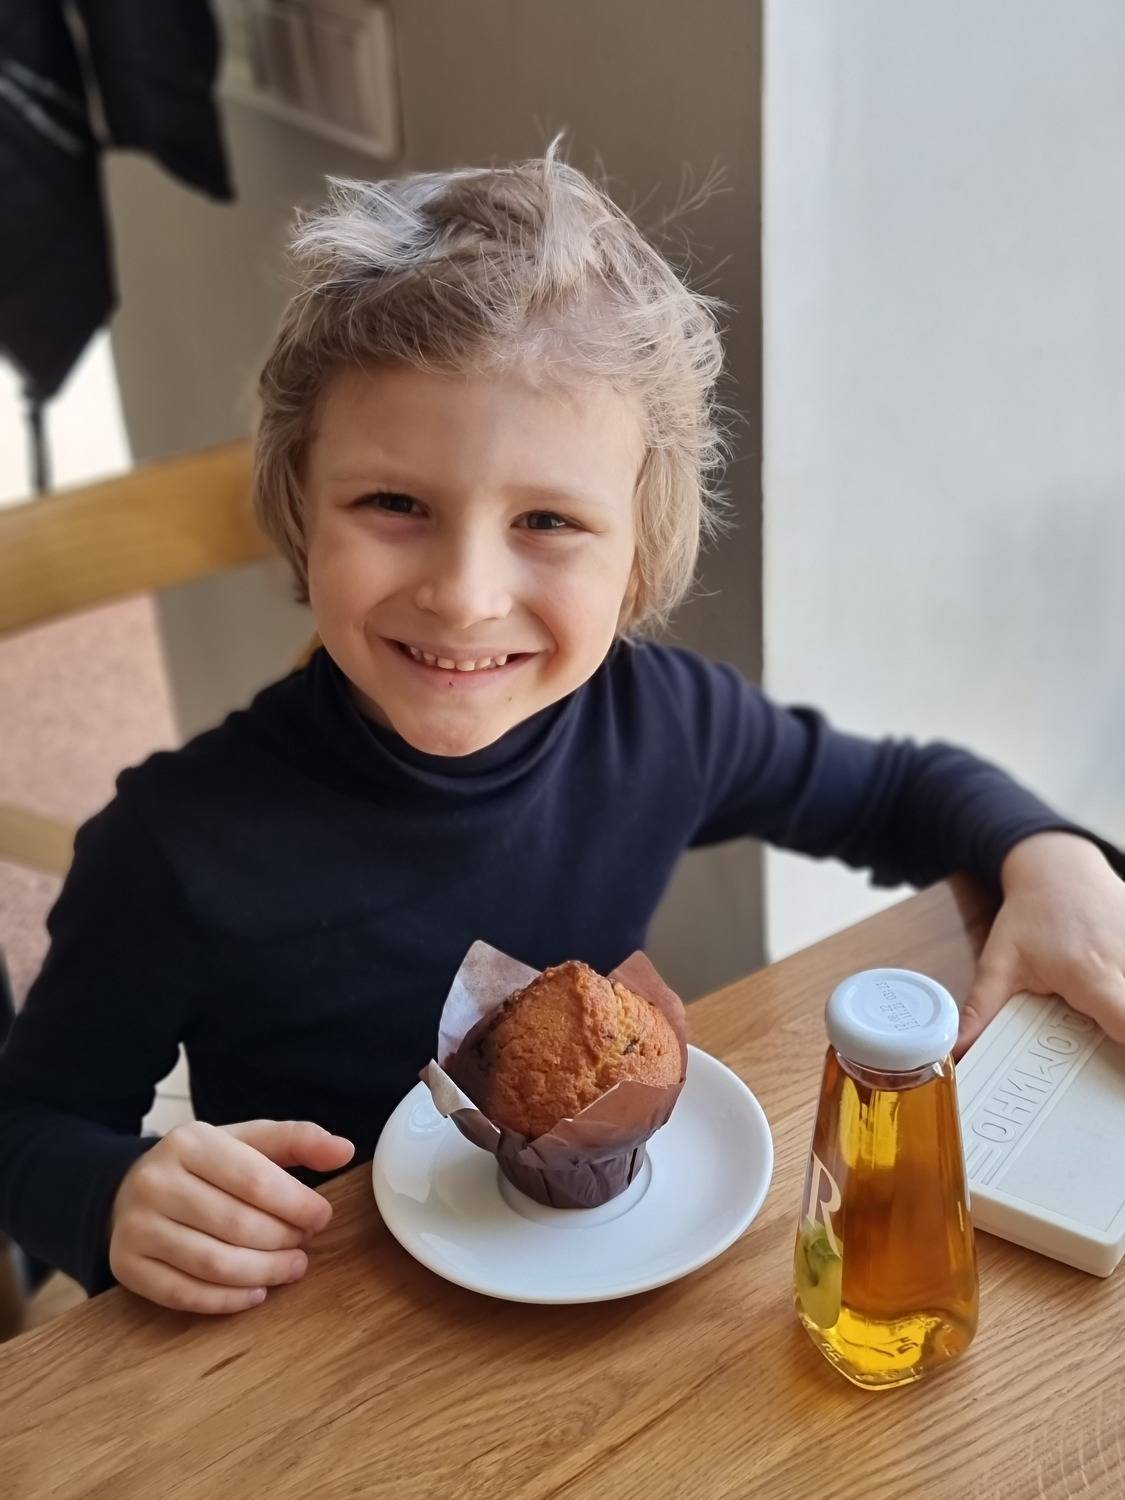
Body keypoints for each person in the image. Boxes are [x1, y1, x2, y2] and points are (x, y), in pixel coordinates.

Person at [1, 146, 1122, 1317]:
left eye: (546, 520)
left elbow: (899, 791)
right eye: (395, 504)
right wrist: (112, 1197)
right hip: (323, 1331)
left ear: (640, 556)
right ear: (300, 504)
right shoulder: (172, 847)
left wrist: (1050, 857)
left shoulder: (664, 723)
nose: (464, 595)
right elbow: (28, 1129)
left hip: (625, 1302)